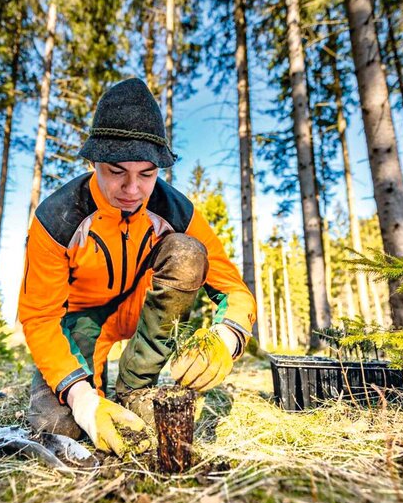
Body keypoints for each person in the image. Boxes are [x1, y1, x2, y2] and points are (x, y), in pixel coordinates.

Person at [18, 77, 256, 457]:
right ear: (93, 161)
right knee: (58, 426)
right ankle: (92, 385)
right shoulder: (56, 217)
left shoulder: (177, 212)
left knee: (187, 251)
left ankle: (136, 386)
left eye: (147, 173)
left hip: (143, 313)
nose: (132, 189)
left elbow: (234, 290)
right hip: (80, 321)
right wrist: (84, 400)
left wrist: (225, 339)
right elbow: (39, 316)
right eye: (116, 171)